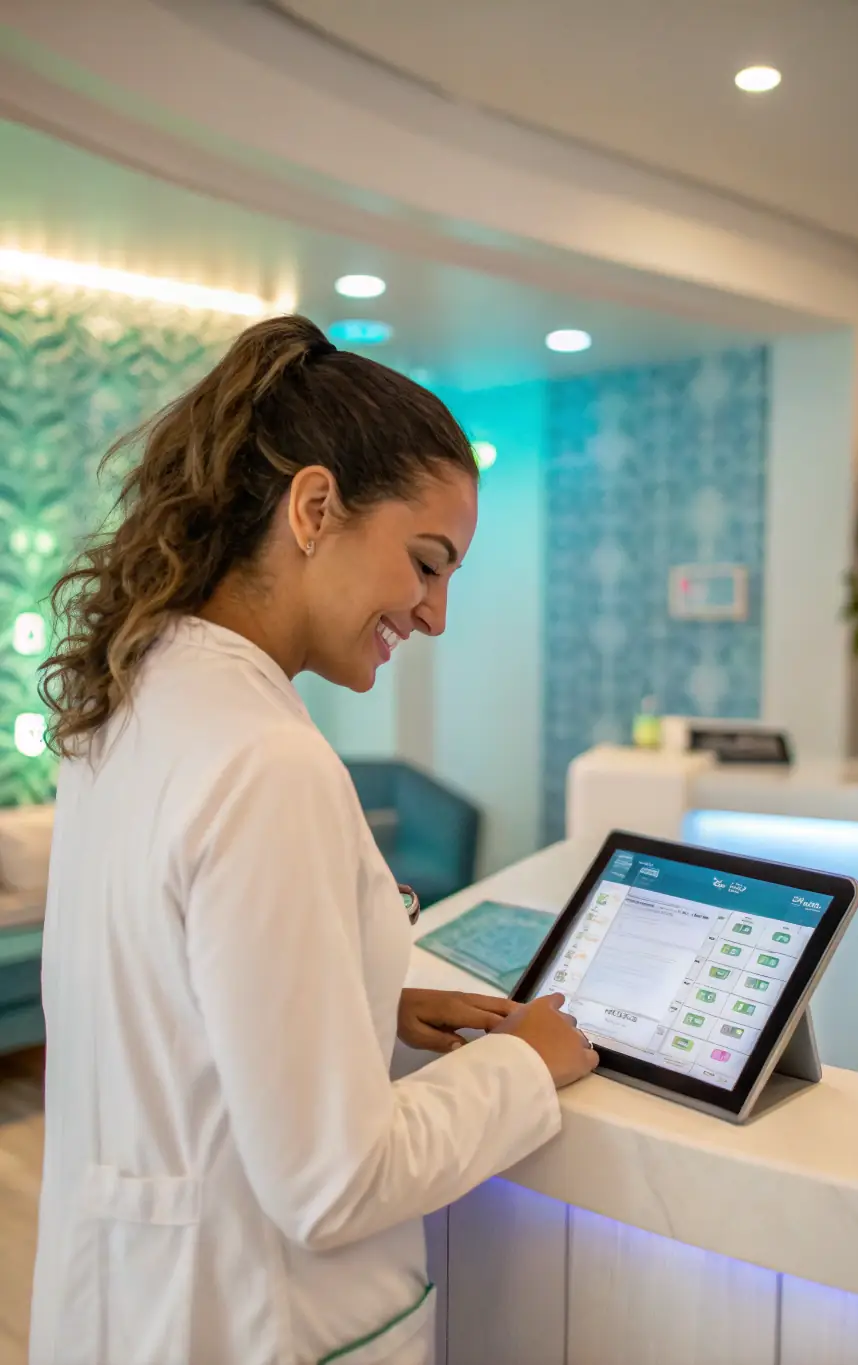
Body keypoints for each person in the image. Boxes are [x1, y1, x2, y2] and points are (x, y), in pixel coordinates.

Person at [30, 316, 597, 1365]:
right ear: (314, 507)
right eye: (427, 564)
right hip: (253, 1320)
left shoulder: (132, 699)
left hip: (126, 1302)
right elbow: (333, 1184)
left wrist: (360, 1002)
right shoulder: (266, 762)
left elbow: (167, 996)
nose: (433, 615)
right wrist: (526, 1065)